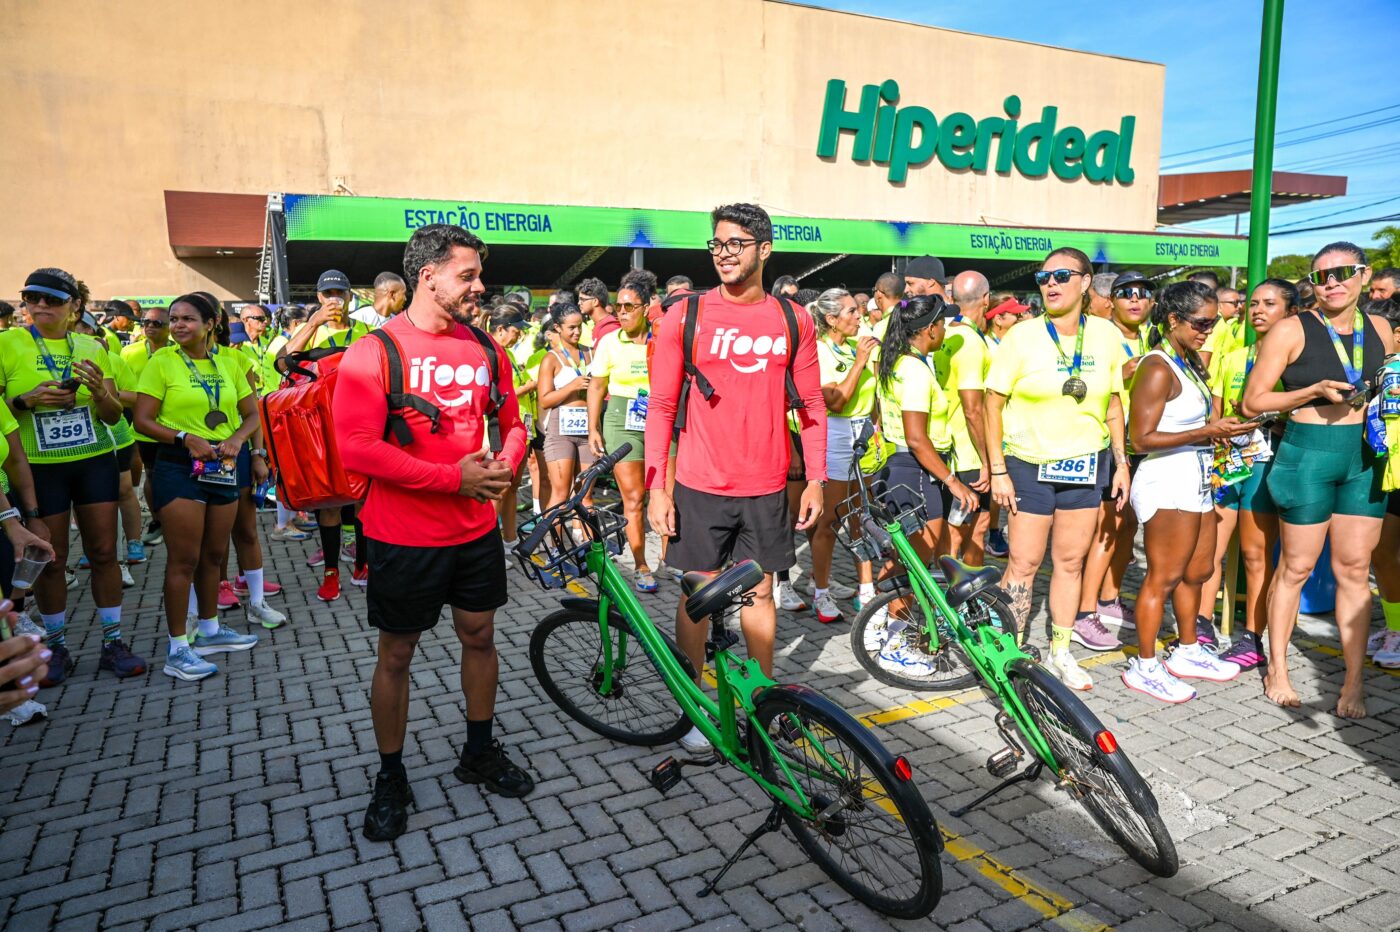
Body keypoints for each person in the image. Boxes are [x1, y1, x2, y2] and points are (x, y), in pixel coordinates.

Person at [334, 224, 532, 841]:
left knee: (481, 636)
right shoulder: (374, 351)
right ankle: (391, 775)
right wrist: (454, 479)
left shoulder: (484, 346)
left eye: (478, 275)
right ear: (428, 276)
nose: (480, 286)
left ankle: (478, 751)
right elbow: (355, 447)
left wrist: (506, 466)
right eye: (467, 275)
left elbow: (513, 421)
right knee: (397, 653)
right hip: (402, 535)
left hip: (473, 533)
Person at [645, 203, 826, 757]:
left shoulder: (794, 319)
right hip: (699, 483)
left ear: (764, 250)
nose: (723, 253)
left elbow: (812, 405)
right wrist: (657, 486)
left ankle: (762, 701)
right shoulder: (686, 315)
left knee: (761, 592)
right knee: (698, 594)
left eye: (736, 243)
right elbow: (661, 406)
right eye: (717, 244)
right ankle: (693, 704)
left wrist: (815, 479)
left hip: (767, 484)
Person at [1242, 242, 1395, 718]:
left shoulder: (1380, 327)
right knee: (1296, 568)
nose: (1331, 282)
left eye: (1342, 272)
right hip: (1308, 456)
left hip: (1362, 459)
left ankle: (1353, 682)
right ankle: (1278, 670)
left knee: (1355, 570)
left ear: (1363, 275)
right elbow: (1253, 401)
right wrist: (1311, 390)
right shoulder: (1292, 329)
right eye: (1321, 275)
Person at [985, 247, 1130, 691]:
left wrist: (1121, 463)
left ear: (1085, 283)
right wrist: (998, 470)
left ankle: (1061, 652)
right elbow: (992, 403)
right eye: (1043, 277)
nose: (1050, 284)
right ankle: (1009, 651)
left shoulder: (1105, 334)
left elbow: (1113, 403)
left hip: (1086, 465)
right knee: (1024, 563)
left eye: (1062, 276)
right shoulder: (1022, 336)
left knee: (1070, 562)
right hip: (1028, 464)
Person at [5, 269, 141, 685]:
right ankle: (57, 646)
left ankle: (113, 642)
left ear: (74, 306)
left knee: (104, 552)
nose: (40, 305)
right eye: (32, 297)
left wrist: (100, 392)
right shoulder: (7, 344)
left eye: (52, 299)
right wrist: (26, 400)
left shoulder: (91, 346)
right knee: (52, 557)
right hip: (38, 466)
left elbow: (114, 415)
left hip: (93, 460)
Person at [1123, 282, 1251, 701]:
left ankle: (1188, 650)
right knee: (1163, 577)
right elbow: (1139, 439)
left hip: (1196, 478)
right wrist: (1206, 431)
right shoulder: (1157, 367)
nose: (1207, 331)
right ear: (1174, 319)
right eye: (1200, 323)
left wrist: (1223, 431)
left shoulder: (1189, 360)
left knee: (1198, 571)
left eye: (1213, 323)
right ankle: (1144, 666)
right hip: (1166, 481)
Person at [134, 292, 262, 682]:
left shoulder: (230, 363)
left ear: (210, 324)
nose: (177, 325)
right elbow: (143, 420)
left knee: (214, 554)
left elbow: (252, 414)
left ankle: (209, 630)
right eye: (173, 319)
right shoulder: (162, 362)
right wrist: (184, 438)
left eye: (187, 319)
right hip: (179, 466)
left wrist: (238, 439)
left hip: (223, 465)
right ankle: (177, 649)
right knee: (183, 560)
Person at [1199, 279, 1300, 671]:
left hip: (1266, 463)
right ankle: (1201, 625)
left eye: (1269, 304)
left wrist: (1269, 420)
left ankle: (1253, 637)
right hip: (1228, 463)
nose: (1257, 310)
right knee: (1209, 550)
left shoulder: (1295, 363)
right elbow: (1216, 413)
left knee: (1256, 555)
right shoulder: (1233, 357)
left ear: (1290, 313)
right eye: (1253, 303)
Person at [281, 272, 371, 599]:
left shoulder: (364, 330)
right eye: (327, 293)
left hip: (359, 425)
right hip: (320, 429)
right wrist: (313, 323)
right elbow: (283, 364)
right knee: (329, 502)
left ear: (349, 296)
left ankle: (362, 564)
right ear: (318, 297)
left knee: (362, 499)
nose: (334, 298)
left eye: (339, 292)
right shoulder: (310, 331)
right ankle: (331, 573)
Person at [1077, 271, 1154, 641]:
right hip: (1111, 445)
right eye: (1126, 293)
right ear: (1111, 301)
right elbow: (1080, 386)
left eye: (1143, 293)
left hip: (1143, 445)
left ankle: (1109, 599)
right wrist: (1122, 374)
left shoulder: (1153, 337)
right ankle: (1084, 612)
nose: (1135, 300)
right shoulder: (1097, 336)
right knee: (1108, 527)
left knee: (1129, 526)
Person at [806, 288, 878, 622]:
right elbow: (836, 401)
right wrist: (861, 362)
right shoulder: (819, 351)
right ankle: (820, 592)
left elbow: (871, 394)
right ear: (831, 319)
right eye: (851, 311)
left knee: (862, 517)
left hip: (863, 433)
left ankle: (867, 588)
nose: (859, 316)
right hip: (836, 433)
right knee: (831, 520)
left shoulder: (851, 346)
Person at [587, 276, 658, 591]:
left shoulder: (661, 337)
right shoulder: (609, 341)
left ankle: (671, 561)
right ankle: (641, 565)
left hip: (661, 418)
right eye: (619, 307)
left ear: (646, 307)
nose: (623, 313)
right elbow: (596, 386)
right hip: (621, 418)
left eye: (630, 307)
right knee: (634, 497)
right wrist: (593, 427)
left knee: (665, 494)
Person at [937, 271, 993, 565]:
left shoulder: (948, 333)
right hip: (968, 452)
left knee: (969, 527)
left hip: (952, 445)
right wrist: (987, 460)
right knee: (964, 530)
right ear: (986, 299)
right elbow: (972, 408)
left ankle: (966, 586)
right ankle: (954, 588)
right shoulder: (970, 342)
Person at [537, 303, 596, 516]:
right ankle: (554, 538)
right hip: (560, 429)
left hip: (589, 428)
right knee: (561, 495)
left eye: (580, 326)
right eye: (571, 327)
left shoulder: (592, 353)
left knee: (586, 496)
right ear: (557, 328)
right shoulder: (550, 359)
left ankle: (584, 537)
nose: (577, 332)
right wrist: (571, 387)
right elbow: (544, 400)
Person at [123, 304, 172, 547]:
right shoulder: (129, 352)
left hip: (175, 427)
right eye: (146, 322)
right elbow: (121, 387)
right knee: (151, 474)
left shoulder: (178, 352)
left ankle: (175, 520)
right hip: (144, 426)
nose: (150, 327)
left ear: (169, 327)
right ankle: (157, 521)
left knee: (174, 474)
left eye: (157, 323)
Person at [575, 276, 620, 345]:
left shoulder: (610, 329)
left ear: (595, 301)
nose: (579, 303)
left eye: (582, 299)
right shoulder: (599, 325)